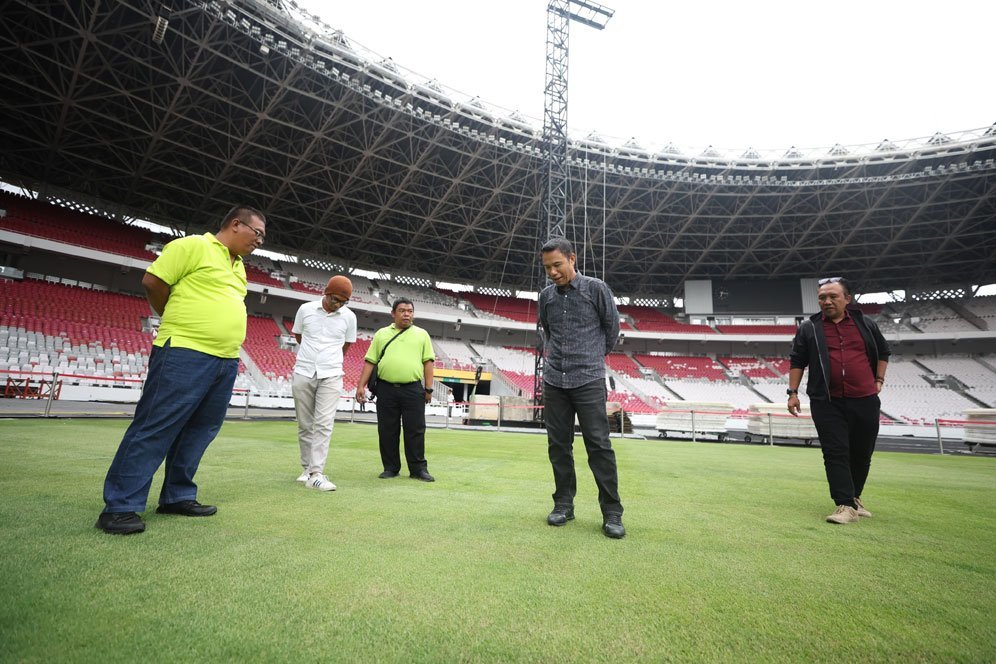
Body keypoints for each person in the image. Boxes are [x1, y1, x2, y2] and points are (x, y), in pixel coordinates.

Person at [96, 206, 266, 535]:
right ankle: (121, 506)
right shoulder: (191, 246)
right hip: (184, 351)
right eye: (257, 233)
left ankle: (177, 495)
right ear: (235, 224)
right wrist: (177, 316)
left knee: (200, 431)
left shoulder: (240, 267)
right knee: (155, 425)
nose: (259, 241)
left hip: (226, 360)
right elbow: (154, 282)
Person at [538, 237, 625, 539]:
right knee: (558, 446)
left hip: (588, 378)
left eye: (557, 265)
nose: (553, 272)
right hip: (554, 380)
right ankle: (563, 504)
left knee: (599, 446)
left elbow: (612, 329)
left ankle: (612, 512)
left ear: (572, 258)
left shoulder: (596, 289)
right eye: (548, 267)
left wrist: (591, 357)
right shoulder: (546, 297)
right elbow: (547, 331)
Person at [788, 276, 890, 525]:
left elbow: (883, 352)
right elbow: (797, 361)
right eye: (822, 297)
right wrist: (792, 393)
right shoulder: (809, 328)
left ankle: (854, 498)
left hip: (865, 398)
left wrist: (879, 380)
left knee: (862, 452)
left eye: (833, 296)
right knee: (835, 452)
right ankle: (844, 504)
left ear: (848, 298)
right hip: (826, 400)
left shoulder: (866, 324)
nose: (827, 301)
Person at [355, 299, 436, 482]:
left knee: (415, 430)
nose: (406, 314)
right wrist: (361, 385)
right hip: (386, 388)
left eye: (409, 311)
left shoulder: (422, 334)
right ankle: (390, 468)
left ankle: (418, 469)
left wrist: (428, 388)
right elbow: (370, 361)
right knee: (387, 430)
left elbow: (428, 362)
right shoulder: (382, 334)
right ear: (393, 313)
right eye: (402, 310)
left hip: (413, 389)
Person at [291, 275, 357, 491]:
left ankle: (316, 472)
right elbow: (299, 336)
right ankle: (306, 468)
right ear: (326, 293)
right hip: (303, 371)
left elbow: (346, 346)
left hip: (332, 374)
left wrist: (329, 360)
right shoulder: (305, 309)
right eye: (335, 299)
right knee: (304, 424)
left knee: (324, 423)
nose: (338, 305)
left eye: (343, 302)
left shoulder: (349, 317)